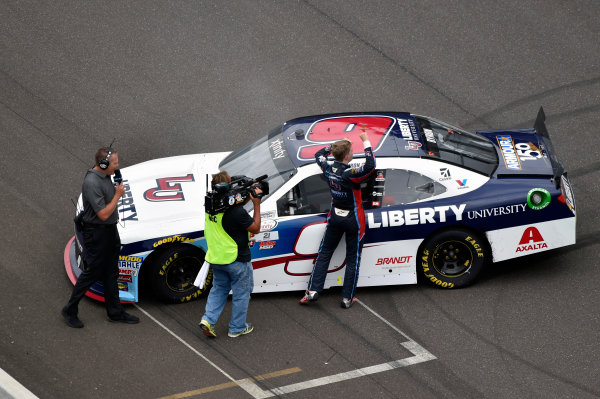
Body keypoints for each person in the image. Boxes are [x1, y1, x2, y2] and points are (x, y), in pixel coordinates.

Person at [61, 147, 139, 328]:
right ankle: (70, 309)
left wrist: (113, 192)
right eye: (115, 163)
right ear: (103, 164)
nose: (118, 166)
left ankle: (115, 312)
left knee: (112, 271)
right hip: (97, 232)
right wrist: (117, 196)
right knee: (92, 273)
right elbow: (103, 214)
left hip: (109, 230)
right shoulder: (92, 183)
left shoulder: (105, 176)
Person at [300, 132, 376, 308]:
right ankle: (347, 297)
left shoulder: (327, 168)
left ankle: (312, 291)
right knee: (353, 259)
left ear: (334, 154)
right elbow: (371, 165)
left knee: (324, 252)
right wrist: (365, 141)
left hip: (335, 217)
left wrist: (334, 145)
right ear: (348, 156)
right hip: (354, 220)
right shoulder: (350, 173)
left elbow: (318, 155)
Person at [199, 171, 262, 338]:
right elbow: (255, 227)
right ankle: (237, 328)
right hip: (237, 259)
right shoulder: (236, 212)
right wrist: (256, 203)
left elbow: (233, 203)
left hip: (216, 257)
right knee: (242, 293)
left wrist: (246, 194)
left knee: (219, 289)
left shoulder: (211, 207)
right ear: (228, 187)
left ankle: (208, 320)